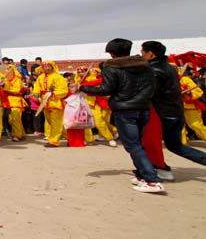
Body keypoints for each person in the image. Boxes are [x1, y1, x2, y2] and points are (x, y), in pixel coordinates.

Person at [80, 38, 162, 193]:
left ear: (112, 53)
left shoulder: (112, 67)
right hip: (144, 108)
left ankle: (152, 180)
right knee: (137, 144)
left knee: (133, 145)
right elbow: (153, 87)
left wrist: (83, 88)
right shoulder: (145, 66)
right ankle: (142, 175)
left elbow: (106, 89)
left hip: (125, 110)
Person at [140, 41, 206, 174]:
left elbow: (149, 93)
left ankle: (156, 170)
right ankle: (157, 168)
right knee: (173, 145)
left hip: (164, 114)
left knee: (173, 145)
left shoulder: (154, 70)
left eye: (143, 52)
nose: (141, 55)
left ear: (151, 54)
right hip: (174, 111)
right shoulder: (169, 68)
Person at [30, 60, 68, 147]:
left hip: (55, 103)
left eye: (48, 66)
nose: (46, 68)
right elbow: (37, 87)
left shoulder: (58, 77)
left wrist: (53, 94)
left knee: (56, 123)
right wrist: (36, 93)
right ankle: (69, 137)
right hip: (45, 103)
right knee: (52, 123)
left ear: (52, 67)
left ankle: (54, 141)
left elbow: (64, 90)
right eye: (44, 66)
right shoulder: (40, 77)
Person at [178, 68, 206, 141]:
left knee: (195, 124)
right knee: (179, 126)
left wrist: (189, 93)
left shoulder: (185, 79)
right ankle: (182, 143)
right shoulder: (167, 81)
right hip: (176, 106)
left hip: (188, 106)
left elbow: (198, 91)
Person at [2, 64, 26, 141]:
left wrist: (5, 90)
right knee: (11, 119)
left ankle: (17, 135)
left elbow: (17, 90)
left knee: (15, 119)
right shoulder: (5, 81)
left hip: (16, 101)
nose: (8, 74)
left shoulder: (17, 80)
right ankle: (21, 134)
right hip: (8, 102)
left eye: (10, 72)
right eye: (7, 72)